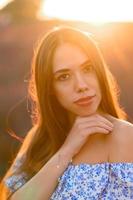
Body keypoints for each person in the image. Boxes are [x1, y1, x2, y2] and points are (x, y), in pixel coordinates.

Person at [1, 26, 133, 200]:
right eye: (64, 76)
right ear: (50, 88)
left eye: (88, 69)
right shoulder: (39, 138)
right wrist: (67, 150)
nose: (81, 85)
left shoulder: (123, 136)